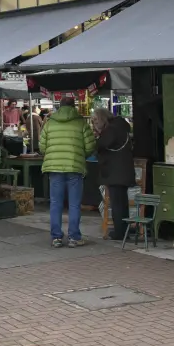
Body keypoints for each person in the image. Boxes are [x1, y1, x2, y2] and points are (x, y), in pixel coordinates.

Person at [39, 97, 96, 248]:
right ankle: (74, 237)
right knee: (74, 204)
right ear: (74, 106)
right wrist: (80, 155)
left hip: (54, 167)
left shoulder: (49, 123)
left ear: (59, 106)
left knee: (56, 203)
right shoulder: (81, 123)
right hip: (75, 167)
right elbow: (90, 146)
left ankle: (56, 238)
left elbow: (42, 147)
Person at [92, 108, 134, 242]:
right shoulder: (121, 126)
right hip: (123, 170)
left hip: (115, 171)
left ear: (103, 119)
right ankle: (124, 230)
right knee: (122, 202)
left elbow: (102, 144)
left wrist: (98, 136)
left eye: (96, 120)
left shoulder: (112, 129)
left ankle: (120, 232)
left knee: (117, 203)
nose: (94, 123)